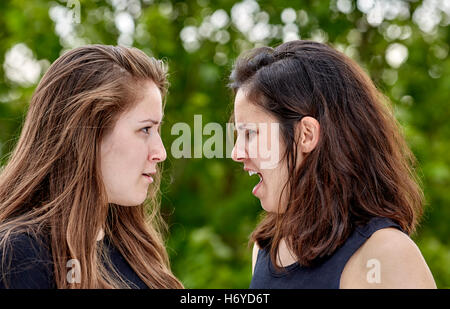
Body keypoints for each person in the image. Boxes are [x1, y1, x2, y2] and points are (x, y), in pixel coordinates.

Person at [229, 40, 436, 288]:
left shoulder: (387, 255)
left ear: (305, 135)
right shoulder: (267, 249)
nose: (236, 153)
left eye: (250, 133)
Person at [0, 45, 183, 288]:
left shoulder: (136, 247)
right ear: (87, 135)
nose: (160, 152)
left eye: (157, 130)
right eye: (145, 129)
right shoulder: (19, 254)